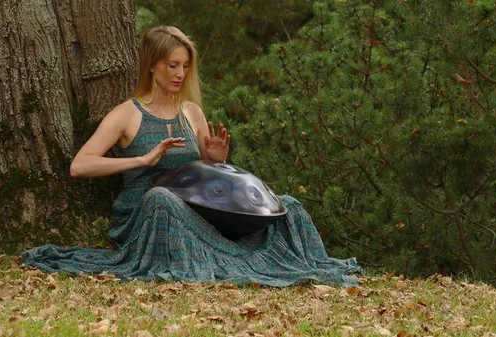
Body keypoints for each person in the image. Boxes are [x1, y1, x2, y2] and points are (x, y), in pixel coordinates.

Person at [22, 26, 361, 286]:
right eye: (172, 65)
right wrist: (141, 160)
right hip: (151, 210)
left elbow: (207, 183)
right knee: (162, 198)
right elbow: (79, 165)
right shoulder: (127, 114)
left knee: (288, 204)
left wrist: (216, 161)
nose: (180, 73)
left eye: (184, 65)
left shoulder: (192, 112)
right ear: (153, 65)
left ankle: (286, 263)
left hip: (196, 209)